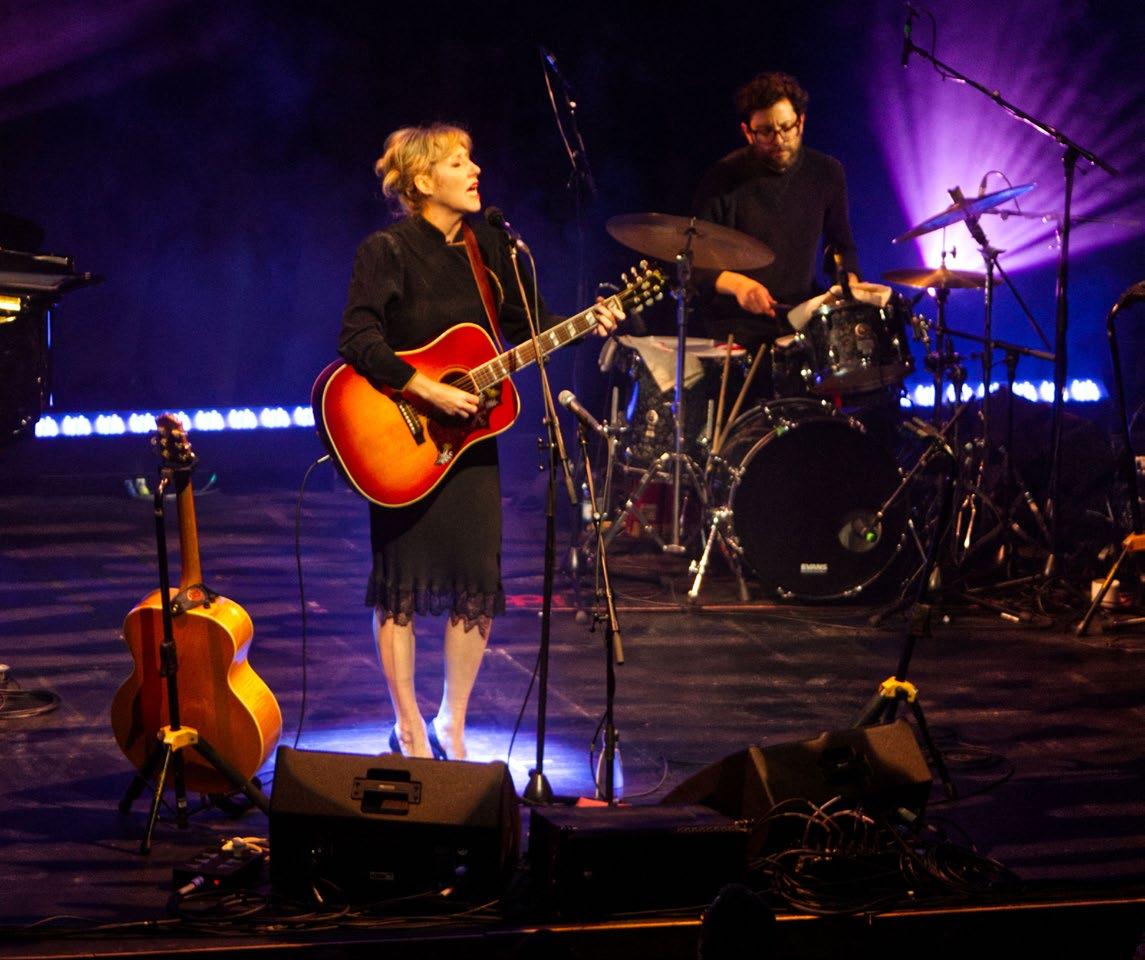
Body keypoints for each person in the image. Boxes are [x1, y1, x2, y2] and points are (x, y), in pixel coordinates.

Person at [337, 123, 619, 761]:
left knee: (476, 582)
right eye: (458, 162)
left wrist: (587, 323)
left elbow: (528, 327)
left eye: (472, 159)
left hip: (469, 443)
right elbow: (357, 338)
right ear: (421, 180)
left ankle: (451, 723)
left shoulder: (489, 244)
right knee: (400, 585)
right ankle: (407, 724)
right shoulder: (386, 250)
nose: (475, 171)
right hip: (404, 439)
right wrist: (424, 389)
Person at [692, 71, 859, 357]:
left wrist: (849, 282)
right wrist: (739, 285)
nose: (779, 139)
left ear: (801, 122)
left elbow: (840, 246)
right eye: (766, 132)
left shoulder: (827, 173)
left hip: (800, 319)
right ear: (748, 132)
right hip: (735, 327)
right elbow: (694, 263)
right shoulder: (723, 177)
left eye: (786, 127)